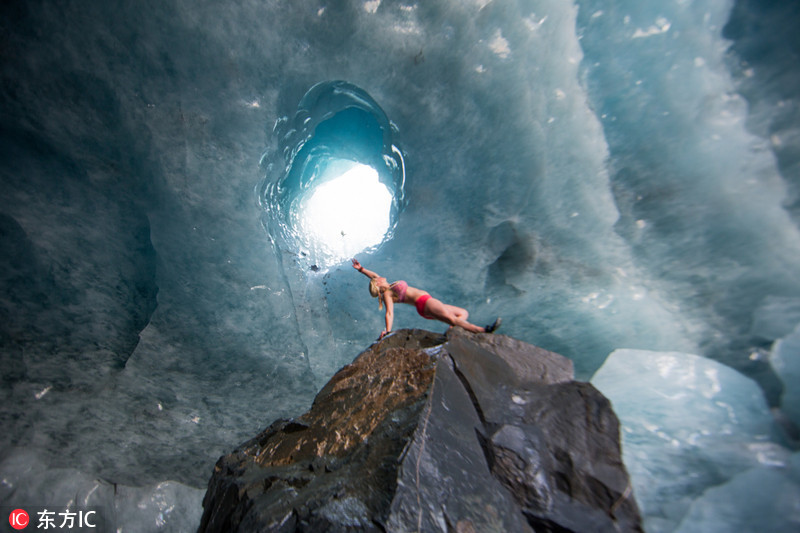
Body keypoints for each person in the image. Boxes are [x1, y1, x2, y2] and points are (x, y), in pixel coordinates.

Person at [351, 258, 501, 339]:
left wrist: (361, 269)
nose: (379, 276)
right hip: (424, 303)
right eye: (378, 279)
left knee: (462, 313)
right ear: (378, 284)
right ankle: (483, 330)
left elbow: (373, 276)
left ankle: (454, 333)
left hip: (427, 302)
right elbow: (389, 313)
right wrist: (388, 331)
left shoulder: (387, 285)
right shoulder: (387, 294)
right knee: (454, 320)